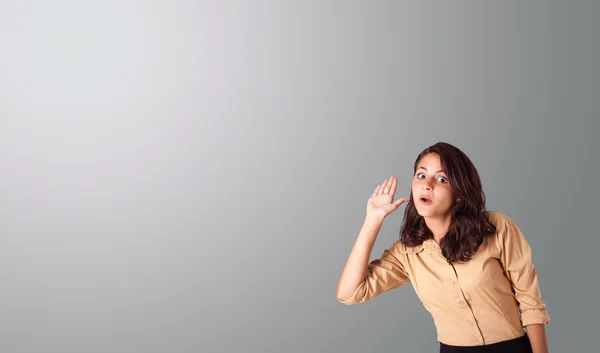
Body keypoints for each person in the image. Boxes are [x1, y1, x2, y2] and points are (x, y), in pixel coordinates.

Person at [336, 142, 550, 353]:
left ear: (458, 192)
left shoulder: (495, 227)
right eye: (421, 175)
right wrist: (373, 220)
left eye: (441, 179)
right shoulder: (407, 253)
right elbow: (349, 293)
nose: (427, 184)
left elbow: (530, 302)